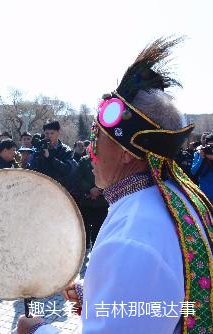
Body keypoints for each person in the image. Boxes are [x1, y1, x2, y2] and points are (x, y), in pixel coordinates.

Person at [19, 37, 212, 334]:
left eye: (98, 138)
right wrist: (98, 294)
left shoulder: (130, 237)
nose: (91, 150)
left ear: (125, 153)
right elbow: (166, 303)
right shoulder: (178, 196)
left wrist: (36, 332)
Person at [30, 121, 77, 190]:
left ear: (58, 132)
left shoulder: (65, 150)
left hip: (59, 189)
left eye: (52, 133)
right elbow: (33, 169)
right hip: (41, 188)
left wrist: (50, 158)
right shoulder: (39, 148)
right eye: (47, 133)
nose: (49, 136)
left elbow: (67, 170)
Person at [191, 133, 213, 200]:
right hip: (204, 196)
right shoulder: (199, 153)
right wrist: (201, 158)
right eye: (210, 145)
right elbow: (194, 172)